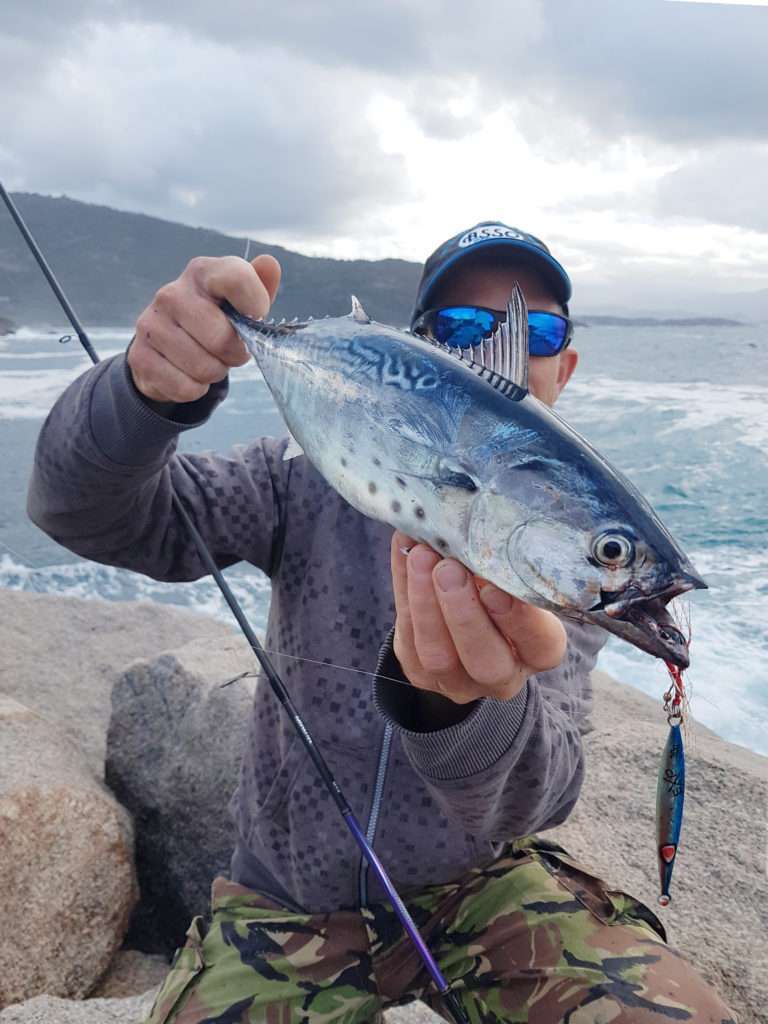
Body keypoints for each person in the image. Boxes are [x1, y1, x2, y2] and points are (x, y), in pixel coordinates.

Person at [28, 222, 735, 1023]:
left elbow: (537, 798)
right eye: (463, 327)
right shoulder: (299, 479)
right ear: (419, 352)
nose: (493, 345)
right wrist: (141, 397)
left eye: (533, 329)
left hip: (484, 890)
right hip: (288, 900)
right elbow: (86, 513)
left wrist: (460, 710)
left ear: (563, 366)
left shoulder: (560, 553)